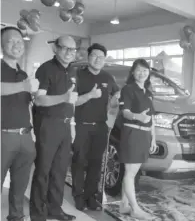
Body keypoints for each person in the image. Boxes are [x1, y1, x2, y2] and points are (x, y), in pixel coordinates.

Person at [30, 36, 78, 221]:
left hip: (65, 126)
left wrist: (72, 126)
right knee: (43, 170)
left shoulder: (73, 71)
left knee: (59, 171)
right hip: (47, 125)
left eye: (72, 49)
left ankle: (55, 209)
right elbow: (40, 99)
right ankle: (38, 213)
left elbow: (72, 100)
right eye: (65, 48)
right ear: (55, 49)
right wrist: (63, 98)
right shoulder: (45, 69)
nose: (68, 52)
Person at [71, 43, 121, 211]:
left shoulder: (108, 77)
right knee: (79, 161)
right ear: (88, 57)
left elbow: (116, 95)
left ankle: (90, 196)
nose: (98, 59)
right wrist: (91, 95)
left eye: (101, 57)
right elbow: (73, 101)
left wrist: (116, 100)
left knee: (96, 163)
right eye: (94, 56)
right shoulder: (78, 75)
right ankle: (78, 196)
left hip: (100, 127)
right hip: (81, 125)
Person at [1, 27, 38, 221]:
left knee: (20, 186)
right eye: (11, 41)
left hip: (25, 136)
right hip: (3, 136)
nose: (17, 45)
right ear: (2, 45)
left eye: (19, 41)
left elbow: (27, 106)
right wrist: (23, 86)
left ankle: (16, 217)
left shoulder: (23, 74)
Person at [116, 59, 158, 219]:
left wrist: (153, 138)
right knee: (130, 172)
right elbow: (125, 112)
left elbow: (151, 118)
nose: (142, 73)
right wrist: (137, 117)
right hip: (132, 133)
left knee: (133, 172)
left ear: (149, 73)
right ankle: (135, 208)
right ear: (133, 72)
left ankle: (124, 205)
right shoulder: (128, 89)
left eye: (145, 70)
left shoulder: (148, 92)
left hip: (145, 135)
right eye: (139, 70)